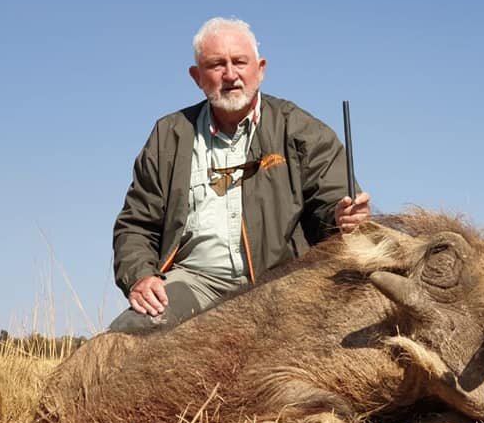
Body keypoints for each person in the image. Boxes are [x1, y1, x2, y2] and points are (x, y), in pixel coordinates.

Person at [109, 17, 371, 334]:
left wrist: (344, 219)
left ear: (260, 69)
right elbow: (136, 223)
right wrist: (140, 275)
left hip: (282, 285)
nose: (230, 75)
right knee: (129, 333)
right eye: (216, 65)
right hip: (195, 282)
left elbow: (335, 207)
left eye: (240, 62)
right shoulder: (170, 134)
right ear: (197, 76)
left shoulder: (301, 129)